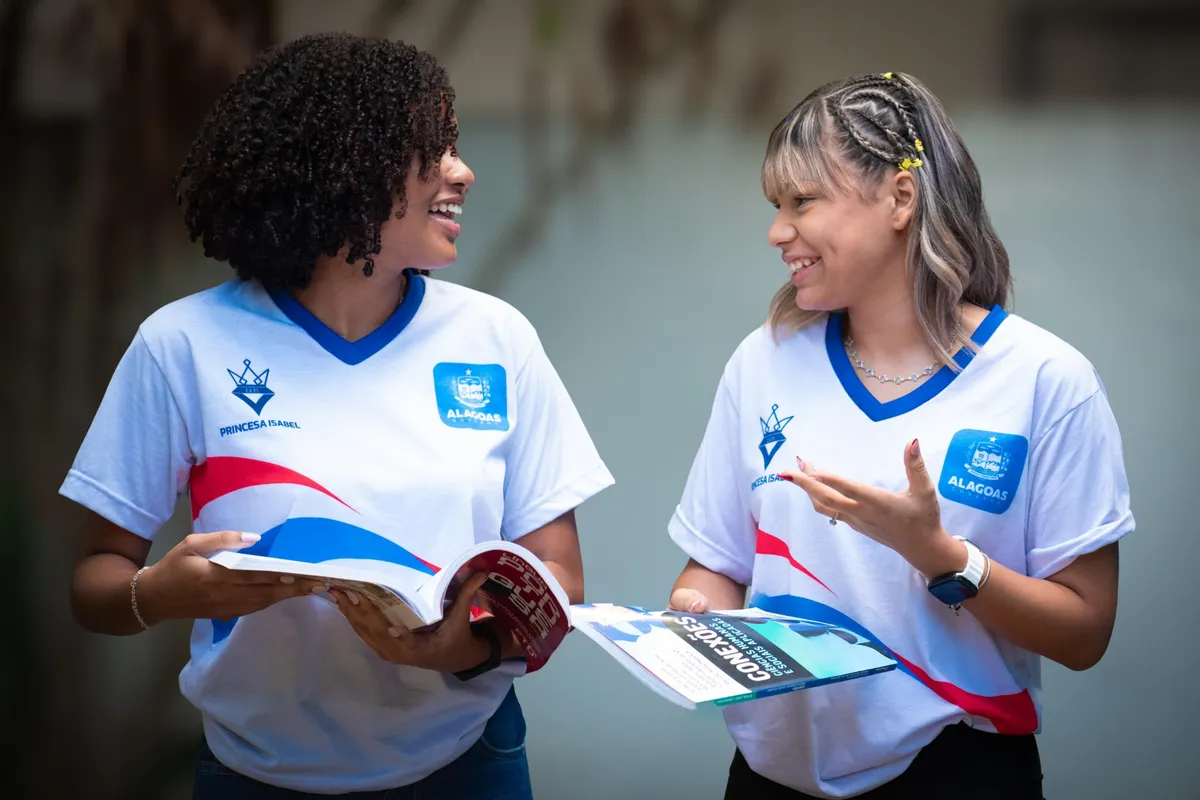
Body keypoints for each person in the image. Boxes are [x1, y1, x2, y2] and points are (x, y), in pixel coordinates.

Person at [62, 33, 614, 799]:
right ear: (343, 167)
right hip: (250, 775)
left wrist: (461, 647)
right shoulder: (181, 344)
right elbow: (95, 584)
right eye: (435, 148)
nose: (464, 171)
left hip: (467, 766)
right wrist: (161, 593)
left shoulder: (497, 339)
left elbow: (561, 582)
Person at [666, 71, 1132, 799]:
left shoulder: (1047, 380)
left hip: (959, 772)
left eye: (802, 201)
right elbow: (714, 567)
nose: (777, 231)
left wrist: (941, 557)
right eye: (775, 205)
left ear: (900, 199)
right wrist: (695, 619)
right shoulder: (764, 360)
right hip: (769, 779)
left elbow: (1086, 633)